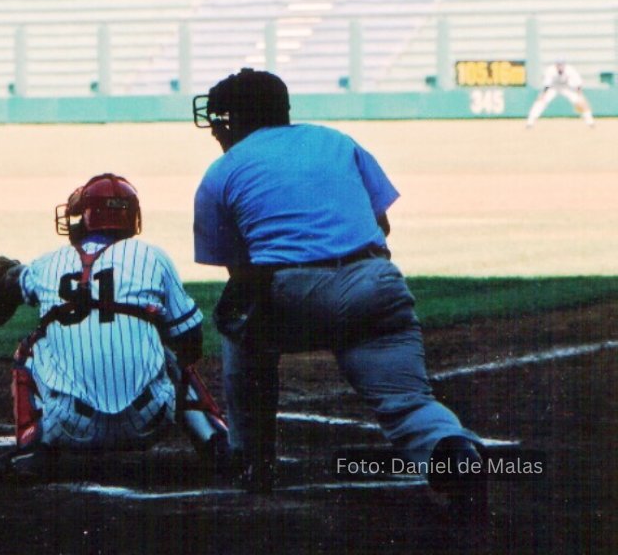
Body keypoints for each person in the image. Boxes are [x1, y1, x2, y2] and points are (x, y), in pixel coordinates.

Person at [191, 68, 487, 519]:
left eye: (220, 119)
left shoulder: (222, 172)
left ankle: (252, 461)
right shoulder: (337, 140)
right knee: (408, 403)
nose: (215, 129)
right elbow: (381, 225)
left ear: (234, 120)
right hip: (377, 281)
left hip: (291, 289)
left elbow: (242, 272)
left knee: (238, 323)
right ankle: (455, 453)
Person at [0, 173, 228, 475]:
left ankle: (32, 446)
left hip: (70, 425)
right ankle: (216, 442)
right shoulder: (153, 256)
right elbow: (191, 340)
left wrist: (11, 275)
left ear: (85, 217)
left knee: (30, 347)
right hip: (149, 419)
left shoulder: (48, 264)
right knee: (172, 351)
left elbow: (10, 284)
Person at [526, 60, 595, 127]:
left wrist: (580, 95)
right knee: (541, 101)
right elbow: (547, 85)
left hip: (566, 87)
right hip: (553, 87)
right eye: (558, 64)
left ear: (564, 65)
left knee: (580, 102)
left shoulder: (570, 70)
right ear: (556, 65)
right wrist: (543, 95)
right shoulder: (550, 70)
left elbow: (577, 83)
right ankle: (530, 122)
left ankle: (590, 122)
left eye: (561, 64)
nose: (560, 66)